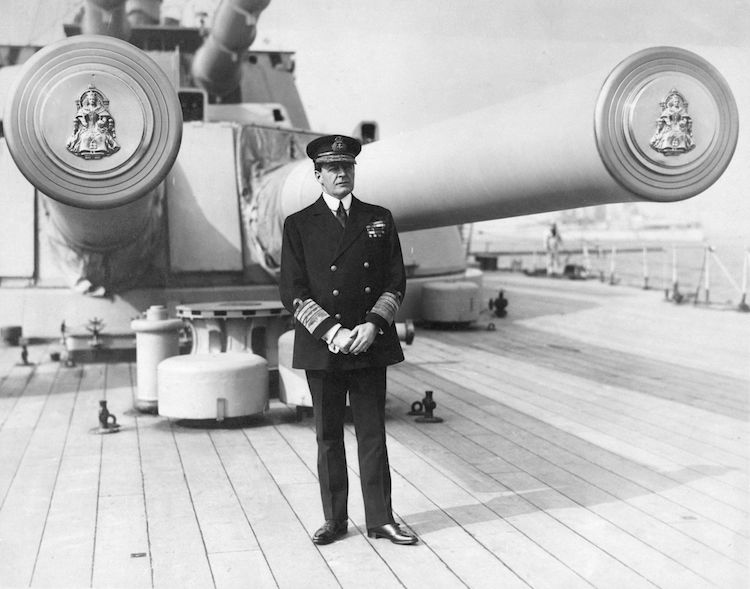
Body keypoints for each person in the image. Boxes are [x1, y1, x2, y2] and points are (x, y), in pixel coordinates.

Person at [279, 134, 418, 546]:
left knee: (373, 433)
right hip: (325, 346)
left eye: (348, 167)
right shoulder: (299, 225)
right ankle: (335, 521)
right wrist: (332, 331)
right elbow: (293, 290)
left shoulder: (379, 218)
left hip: (368, 342)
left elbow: (396, 280)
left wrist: (374, 324)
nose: (342, 174)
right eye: (333, 169)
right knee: (328, 437)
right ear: (318, 176)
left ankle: (381, 519)